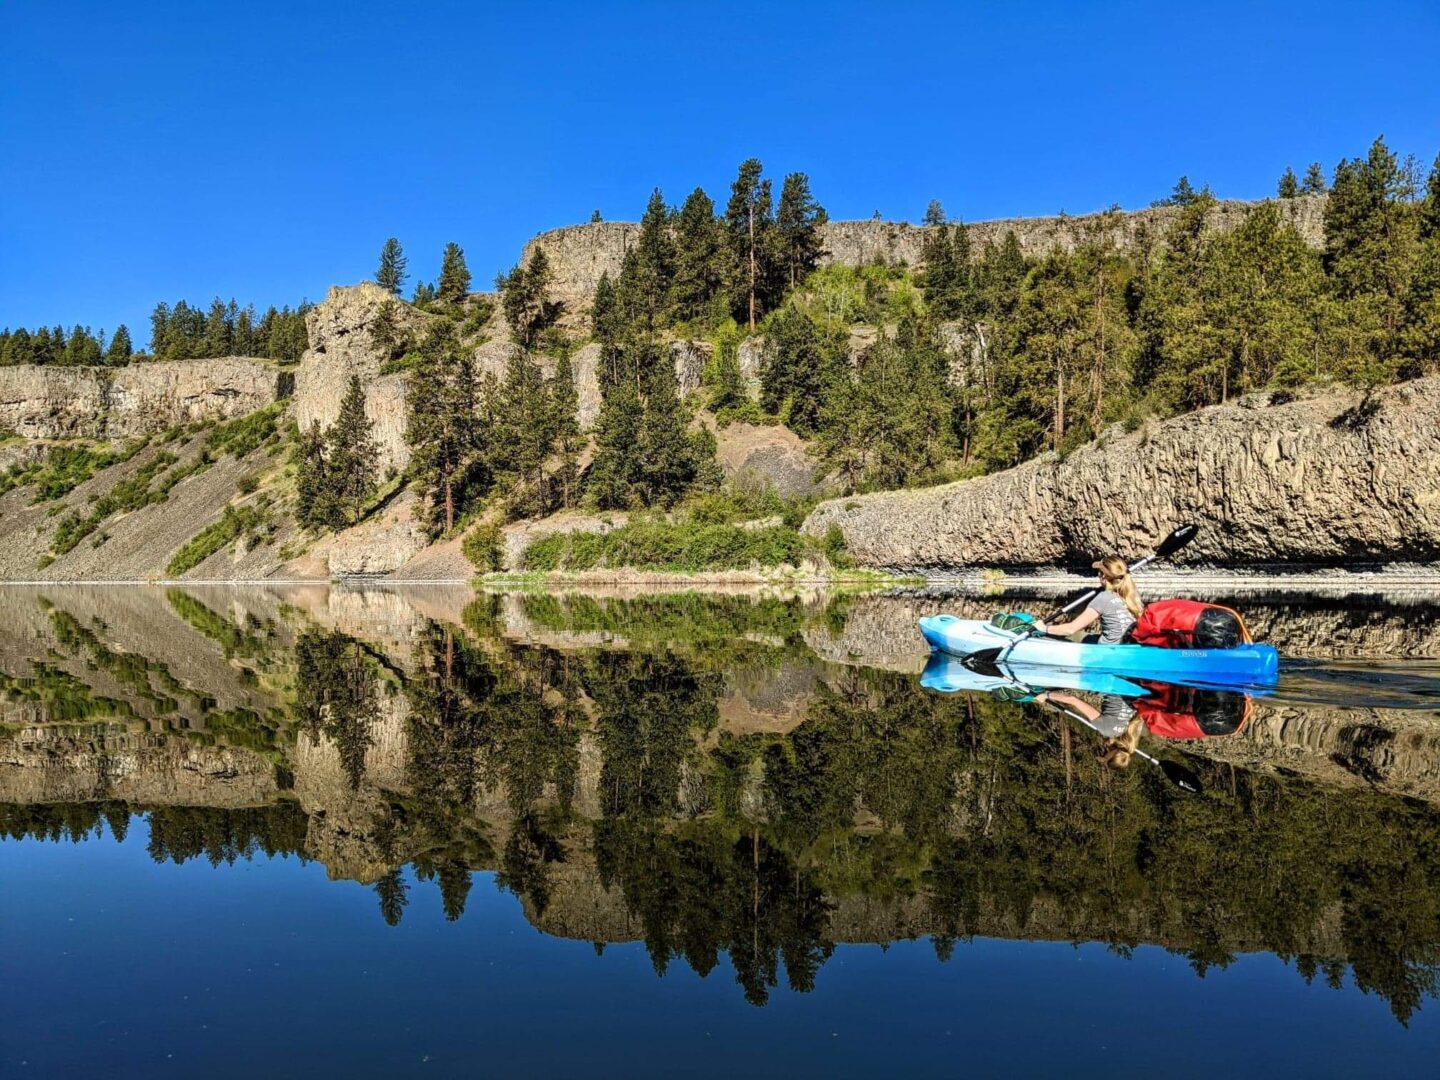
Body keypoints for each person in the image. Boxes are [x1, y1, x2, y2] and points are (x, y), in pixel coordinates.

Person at [1033, 556, 1143, 644]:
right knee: (1083, 636)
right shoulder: (1133, 595)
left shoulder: (1104, 597)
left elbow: (1071, 629)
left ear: (1103, 576)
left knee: (1060, 635)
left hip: (1108, 650)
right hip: (1128, 644)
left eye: (1099, 573)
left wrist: (1044, 628)